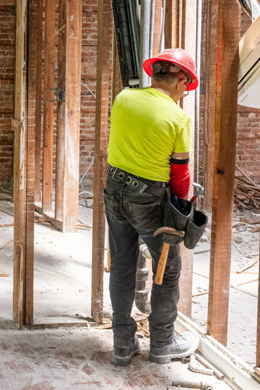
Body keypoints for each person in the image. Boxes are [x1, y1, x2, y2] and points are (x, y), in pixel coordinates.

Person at [104, 48, 201, 366]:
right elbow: (180, 175)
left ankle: (122, 345)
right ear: (181, 79)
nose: (185, 93)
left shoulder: (123, 98)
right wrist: (182, 206)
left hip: (114, 189)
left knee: (121, 267)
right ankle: (162, 344)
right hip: (149, 199)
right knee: (168, 270)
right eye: (186, 86)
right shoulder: (178, 117)